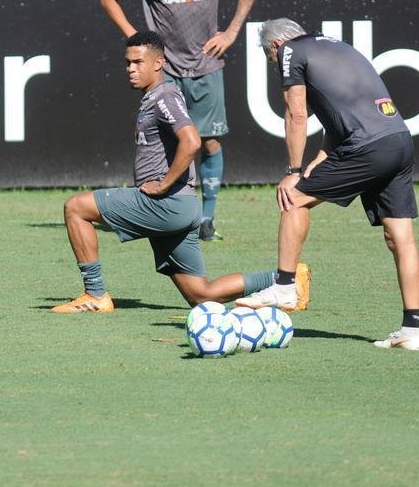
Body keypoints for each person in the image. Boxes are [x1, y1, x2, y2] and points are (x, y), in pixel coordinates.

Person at [51, 31, 306, 313]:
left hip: (166, 204)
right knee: (201, 295)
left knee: (76, 207)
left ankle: (95, 294)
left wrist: (162, 185)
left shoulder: (165, 96)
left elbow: (192, 141)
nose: (130, 69)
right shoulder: (156, 97)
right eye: (127, 63)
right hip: (181, 207)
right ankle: (285, 280)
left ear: (158, 63)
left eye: (138, 62)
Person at [236, 19, 419, 351]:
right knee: (401, 238)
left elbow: (296, 114)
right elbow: (342, 113)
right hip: (398, 140)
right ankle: (412, 331)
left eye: (271, 60)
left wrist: (294, 169)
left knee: (293, 197)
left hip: (367, 147)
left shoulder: (290, 52)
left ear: (276, 46)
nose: (275, 66)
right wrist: (321, 156)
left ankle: (283, 285)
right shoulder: (336, 45)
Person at [100, 0, 258, 242]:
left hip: (206, 62)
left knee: (210, 142)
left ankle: (207, 218)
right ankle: (165, 212)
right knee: (168, 141)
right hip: (165, 69)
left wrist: (230, 33)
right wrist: (138, 39)